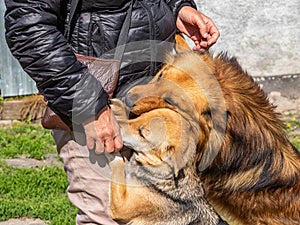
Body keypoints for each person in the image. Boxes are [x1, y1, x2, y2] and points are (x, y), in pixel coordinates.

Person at [4, 0, 219, 224]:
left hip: (152, 102)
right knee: (106, 216)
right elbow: (28, 26)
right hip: (93, 103)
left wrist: (178, 8)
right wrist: (89, 107)